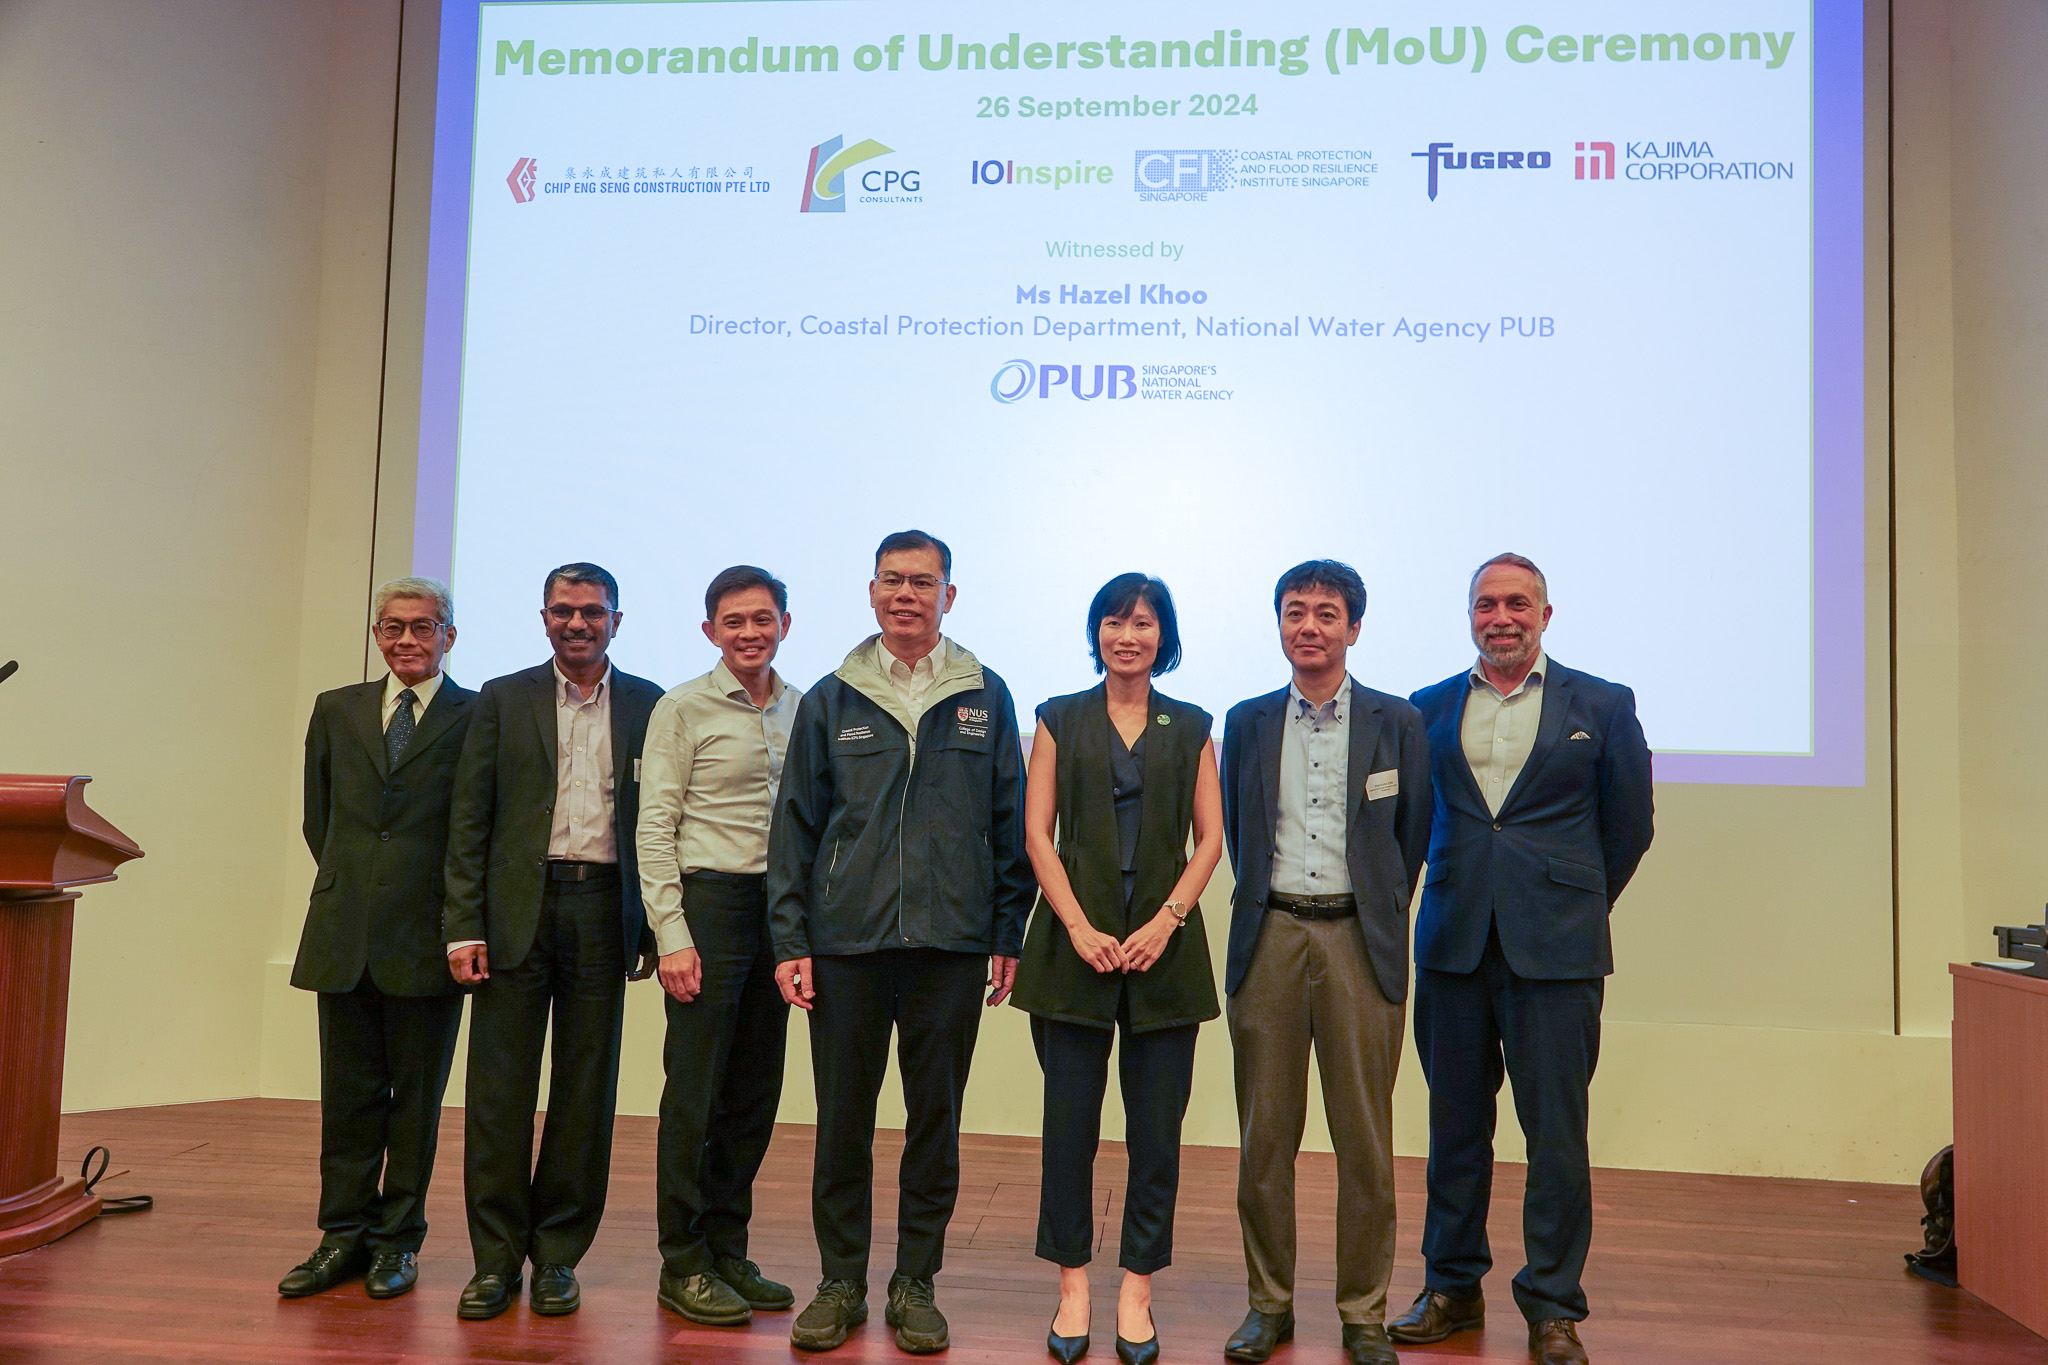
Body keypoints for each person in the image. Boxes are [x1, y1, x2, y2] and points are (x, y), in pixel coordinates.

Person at [767, 529, 1035, 1354]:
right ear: (872, 591)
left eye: (923, 581)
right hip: (846, 945)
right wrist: (791, 938)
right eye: (892, 580)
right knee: (843, 1121)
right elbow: (796, 831)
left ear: (949, 595)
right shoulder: (830, 697)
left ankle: (916, 1281)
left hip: (950, 948)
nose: (906, 594)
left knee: (934, 1121)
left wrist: (1005, 932)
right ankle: (840, 1279)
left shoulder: (986, 692)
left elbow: (1010, 824)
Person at [1393, 553, 1653, 1365]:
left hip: (1558, 952)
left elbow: (1630, 824)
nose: (1500, 616)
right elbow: (1408, 825)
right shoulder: (1426, 707)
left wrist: (1568, 901)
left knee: (1557, 1135)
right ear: (1468, 615)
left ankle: (1552, 1306)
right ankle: (1451, 1286)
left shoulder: (1603, 703)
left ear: (1546, 613)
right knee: (1454, 1128)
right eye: (1485, 604)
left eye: (1516, 603)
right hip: (1453, 946)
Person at [1217, 560, 1432, 1365]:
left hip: (1358, 942)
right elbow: (1243, 834)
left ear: (1355, 628)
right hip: (1270, 935)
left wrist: (1371, 906)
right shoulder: (1245, 721)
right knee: (1264, 1138)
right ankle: (1267, 1304)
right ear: (1279, 623)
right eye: (1295, 611)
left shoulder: (1398, 721)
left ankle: (1363, 1311)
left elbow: (1410, 837)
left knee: (1366, 1143)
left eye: (1327, 613)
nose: (1309, 625)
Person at [1011, 574, 1223, 1365]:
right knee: (1068, 1130)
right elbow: (1039, 834)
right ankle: (1073, 1284)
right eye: (1113, 621)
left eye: (1143, 623)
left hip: (1165, 957)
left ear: (1163, 636)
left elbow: (1210, 841)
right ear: (1095, 632)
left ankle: (1137, 1287)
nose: (1126, 635)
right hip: (1075, 950)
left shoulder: (1193, 725)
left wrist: (1167, 921)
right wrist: (1077, 925)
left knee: (1156, 1134)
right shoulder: (1057, 718)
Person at [442, 562, 662, 1321]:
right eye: (564, 610)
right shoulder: (502, 698)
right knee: (498, 1090)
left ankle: (559, 1256)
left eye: (592, 612)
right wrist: (462, 923)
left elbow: (660, 825)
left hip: (604, 910)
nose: (578, 623)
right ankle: (496, 1259)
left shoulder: (649, 703)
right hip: (512, 916)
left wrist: (657, 926)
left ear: (616, 620)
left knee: (584, 1090)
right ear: (543, 618)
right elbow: (469, 817)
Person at [280, 578, 472, 1302]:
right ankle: (341, 1235)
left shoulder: (476, 714)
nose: (407, 641)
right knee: (348, 1096)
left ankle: (398, 1239)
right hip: (343, 931)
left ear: (449, 635)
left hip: (429, 938)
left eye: (423, 627)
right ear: (376, 632)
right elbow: (318, 819)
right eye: (393, 627)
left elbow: (473, 830)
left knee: (415, 1101)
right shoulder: (337, 709)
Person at [637, 566, 802, 1326]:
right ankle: (684, 1260)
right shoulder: (682, 707)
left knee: (755, 1091)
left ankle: (728, 1247)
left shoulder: (804, 709)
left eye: (762, 619)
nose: (749, 632)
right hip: (709, 908)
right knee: (694, 1091)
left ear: (784, 625)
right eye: (733, 621)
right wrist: (672, 932)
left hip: (781, 914)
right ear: (710, 631)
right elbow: (655, 826)